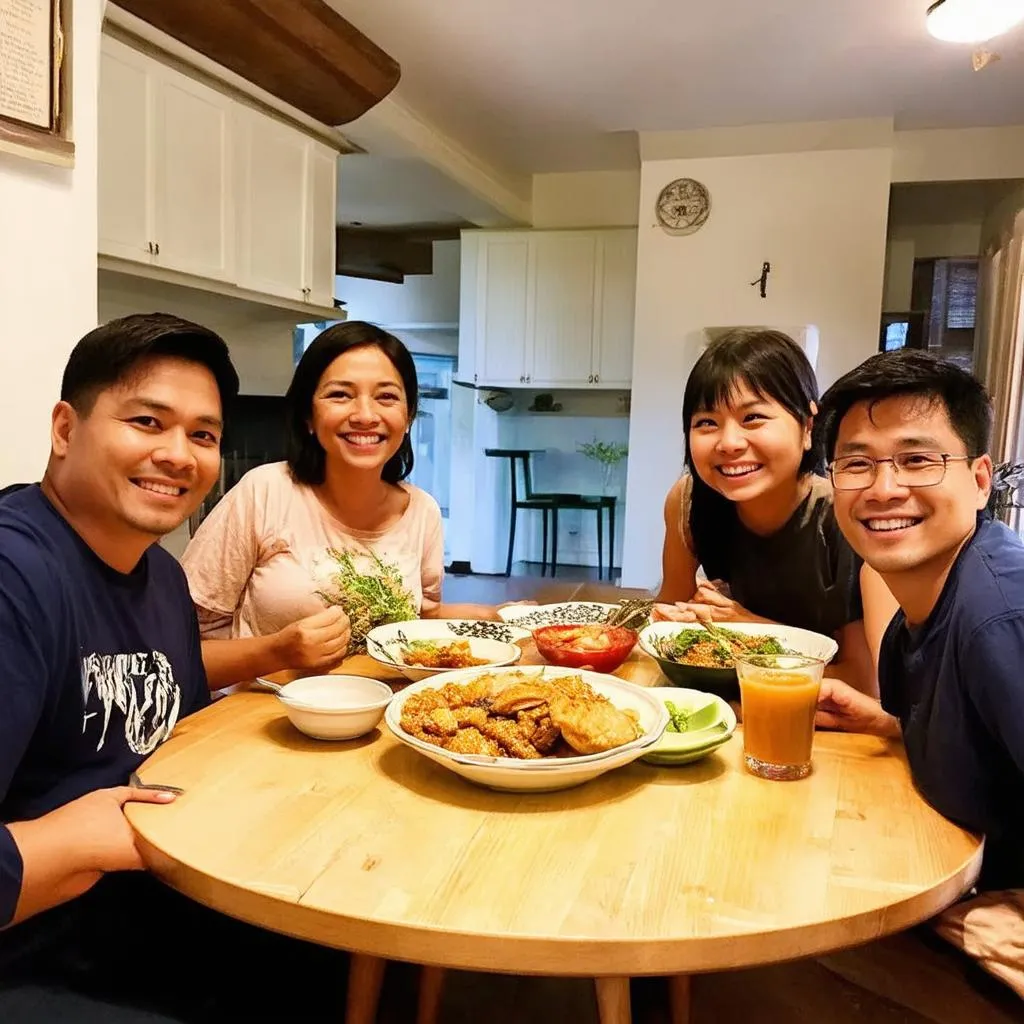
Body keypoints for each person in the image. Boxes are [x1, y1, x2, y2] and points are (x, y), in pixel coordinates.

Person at [0, 314, 352, 1023]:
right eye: (146, 422)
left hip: (147, 903)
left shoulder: (160, 580)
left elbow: (179, 751)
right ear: (65, 429)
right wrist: (71, 840)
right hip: (34, 948)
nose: (177, 454)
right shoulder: (16, 576)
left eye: (202, 435)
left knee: (325, 944)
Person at [814, 349, 1024, 998]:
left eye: (917, 459)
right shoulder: (918, 615)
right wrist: (892, 724)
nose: (883, 488)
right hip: (945, 909)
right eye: (856, 463)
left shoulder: (1001, 618)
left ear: (981, 478)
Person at [182, 321, 496, 690]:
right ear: (308, 417)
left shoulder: (422, 511)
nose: (365, 415)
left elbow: (417, 616)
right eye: (340, 395)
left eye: (386, 397)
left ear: (408, 416)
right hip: (267, 718)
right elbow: (176, 647)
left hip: (383, 714)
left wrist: (487, 617)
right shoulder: (264, 492)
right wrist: (276, 652)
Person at [654, 329, 877, 694]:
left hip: (820, 723)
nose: (728, 443)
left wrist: (748, 627)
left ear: (808, 426)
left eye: (753, 418)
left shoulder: (843, 515)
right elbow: (665, 624)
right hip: (730, 707)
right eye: (706, 423)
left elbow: (862, 681)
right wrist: (677, 621)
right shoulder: (689, 501)